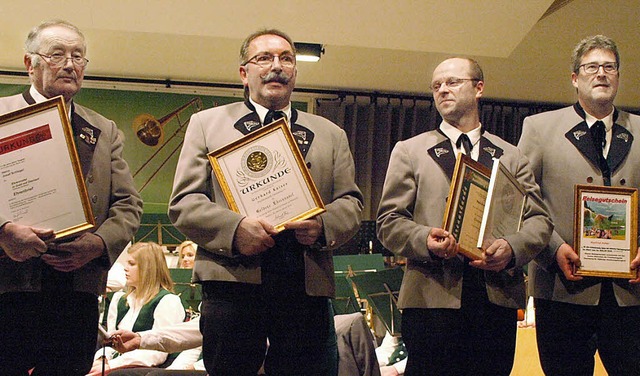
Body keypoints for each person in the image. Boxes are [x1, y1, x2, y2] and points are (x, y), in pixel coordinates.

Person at [168, 28, 363, 375]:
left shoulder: (331, 134)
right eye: (264, 58)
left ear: (295, 72)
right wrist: (235, 229)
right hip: (231, 282)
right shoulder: (207, 125)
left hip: (305, 284)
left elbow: (350, 203)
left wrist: (322, 227)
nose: (277, 66)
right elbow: (184, 202)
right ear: (244, 73)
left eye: (286, 58)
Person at [376, 57, 553, 375]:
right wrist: (425, 240)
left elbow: (539, 221)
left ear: (479, 88)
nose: (443, 89)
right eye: (436, 85)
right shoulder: (409, 150)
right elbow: (388, 221)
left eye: (453, 82)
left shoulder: (511, 155)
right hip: (430, 299)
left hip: (494, 298)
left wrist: (512, 248)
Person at [0, 20, 142, 375]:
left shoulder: (103, 129)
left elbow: (128, 204)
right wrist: (3, 232)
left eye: (78, 56)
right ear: (29, 64)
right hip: (7, 286)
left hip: (75, 293)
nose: (70, 64)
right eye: (57, 54)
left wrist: (97, 243)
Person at [518, 35, 640, 376]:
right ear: (575, 78)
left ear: (618, 75)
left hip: (630, 293)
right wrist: (553, 249)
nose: (601, 73)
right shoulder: (539, 128)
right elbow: (521, 201)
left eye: (609, 67)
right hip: (561, 289)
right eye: (591, 67)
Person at [88, 242, 185, 375]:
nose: (125, 268)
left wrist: (112, 365)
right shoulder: (120, 300)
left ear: (148, 268)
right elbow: (111, 344)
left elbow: (158, 353)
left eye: (132, 264)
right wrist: (102, 359)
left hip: (153, 368)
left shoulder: (167, 301)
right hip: (118, 363)